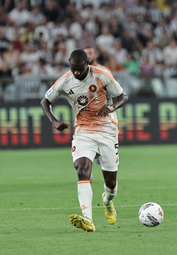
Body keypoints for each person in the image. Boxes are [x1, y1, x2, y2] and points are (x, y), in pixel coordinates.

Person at [40, 49, 128, 231]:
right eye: (73, 69)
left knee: (111, 183)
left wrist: (111, 107)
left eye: (80, 69)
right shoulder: (65, 81)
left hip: (107, 131)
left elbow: (123, 96)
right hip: (83, 131)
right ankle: (88, 219)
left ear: (87, 64)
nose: (76, 73)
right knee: (82, 169)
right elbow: (45, 101)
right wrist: (54, 121)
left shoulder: (102, 75)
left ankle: (107, 201)